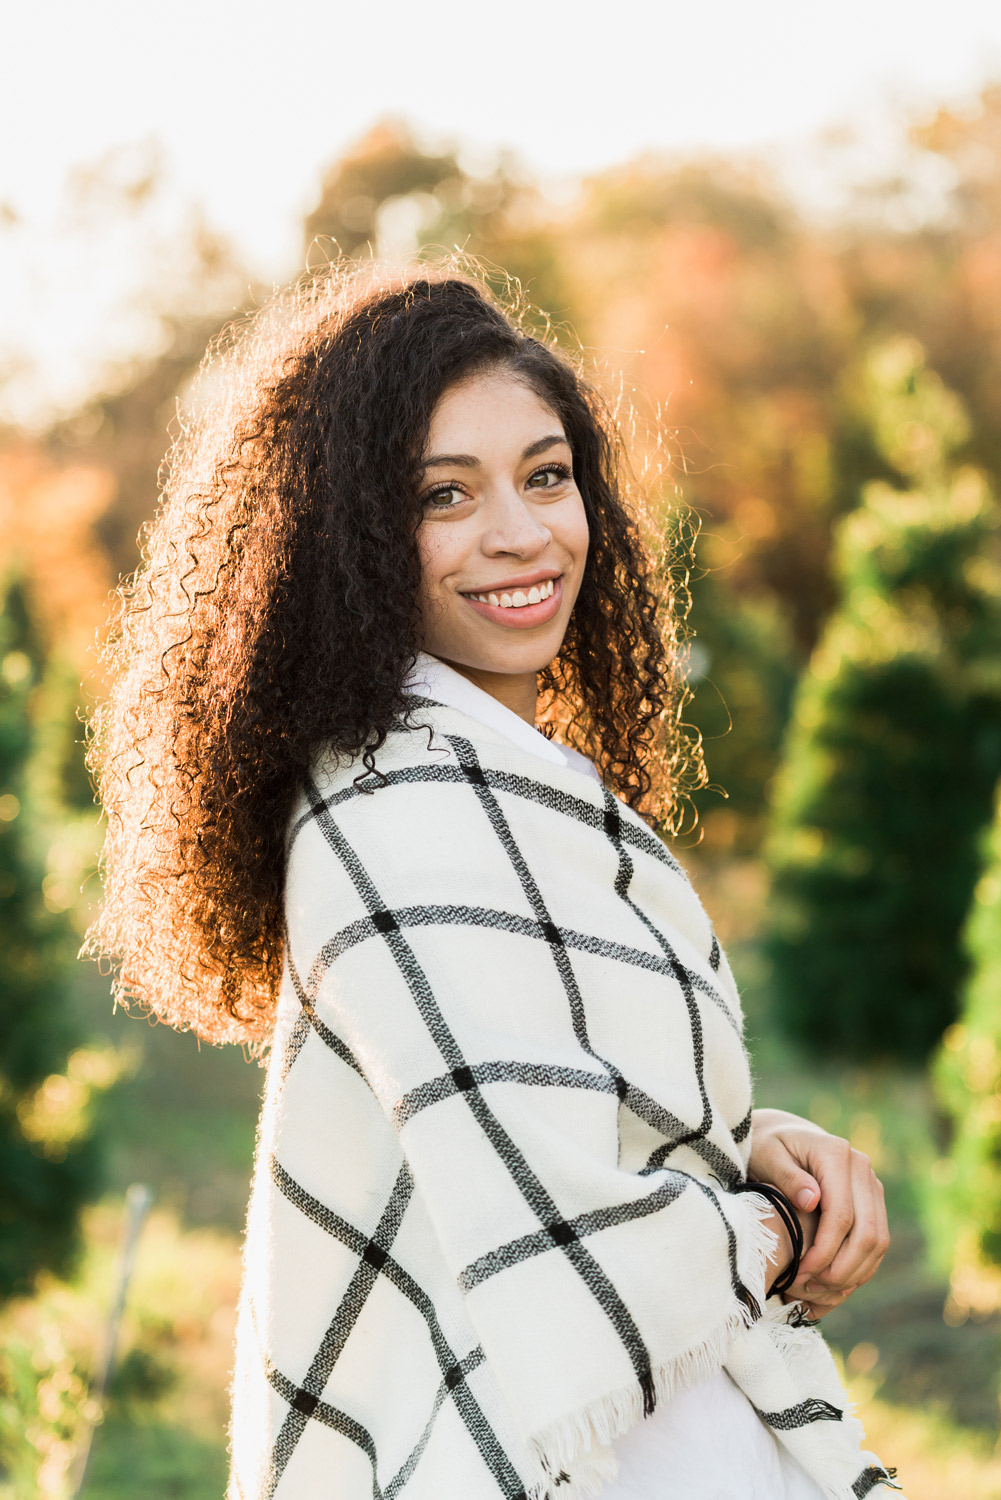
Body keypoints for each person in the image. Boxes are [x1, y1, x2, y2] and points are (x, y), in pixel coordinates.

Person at [85, 261, 902, 1499]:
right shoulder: (394, 812)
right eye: (442, 496)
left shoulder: (521, 786)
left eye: (545, 475)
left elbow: (552, 1101)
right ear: (353, 543)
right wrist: (774, 1228)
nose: (519, 534)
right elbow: (568, 1242)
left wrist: (754, 1147)